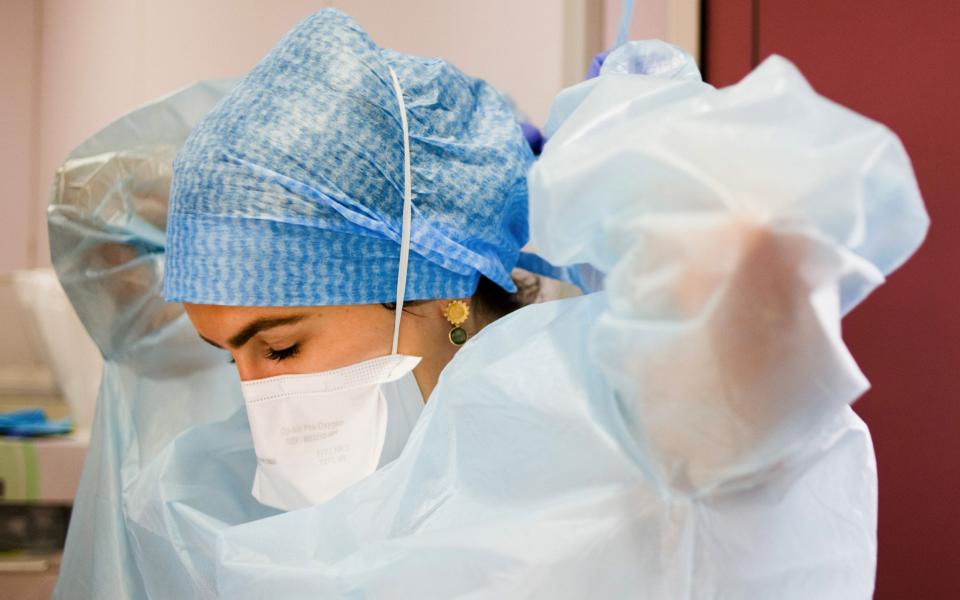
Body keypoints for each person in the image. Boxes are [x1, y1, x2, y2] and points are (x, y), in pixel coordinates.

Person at [51, 9, 927, 599]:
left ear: (430, 280)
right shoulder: (349, 479)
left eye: (278, 349)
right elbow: (94, 222)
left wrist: (632, 126)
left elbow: (772, 227)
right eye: (228, 358)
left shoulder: (629, 405)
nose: (256, 399)